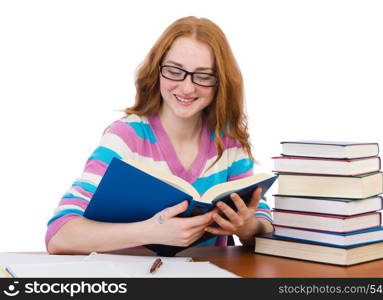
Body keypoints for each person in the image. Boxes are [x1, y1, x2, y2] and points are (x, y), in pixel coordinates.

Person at [46, 16, 273, 255]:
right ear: (157, 71)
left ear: (220, 82)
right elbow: (60, 236)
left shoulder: (228, 142)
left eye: (203, 76)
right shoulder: (126, 137)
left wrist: (247, 227)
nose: (187, 88)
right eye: (175, 71)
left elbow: (263, 225)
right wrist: (151, 231)